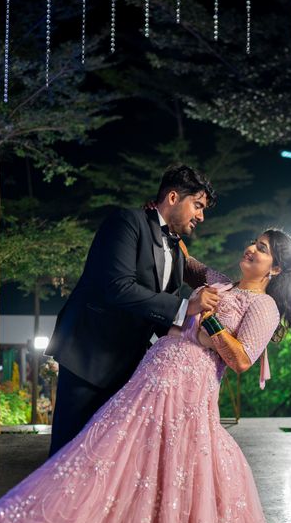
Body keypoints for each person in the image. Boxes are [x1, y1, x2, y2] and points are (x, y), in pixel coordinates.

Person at [0, 230, 291, 523]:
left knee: (169, 472)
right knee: (116, 461)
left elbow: (242, 359)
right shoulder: (220, 282)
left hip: (188, 392)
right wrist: (162, 225)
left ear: (276, 269)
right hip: (152, 375)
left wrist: (210, 324)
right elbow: (186, 261)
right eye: (254, 242)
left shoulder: (263, 306)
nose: (252, 248)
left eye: (263, 249)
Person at [45, 165, 221, 456]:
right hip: (87, 358)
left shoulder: (178, 252)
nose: (201, 216)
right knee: (66, 454)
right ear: (173, 197)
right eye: (198, 205)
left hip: (128, 370)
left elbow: (159, 316)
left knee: (106, 458)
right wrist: (185, 306)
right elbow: (117, 287)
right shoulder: (126, 222)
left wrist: (202, 339)